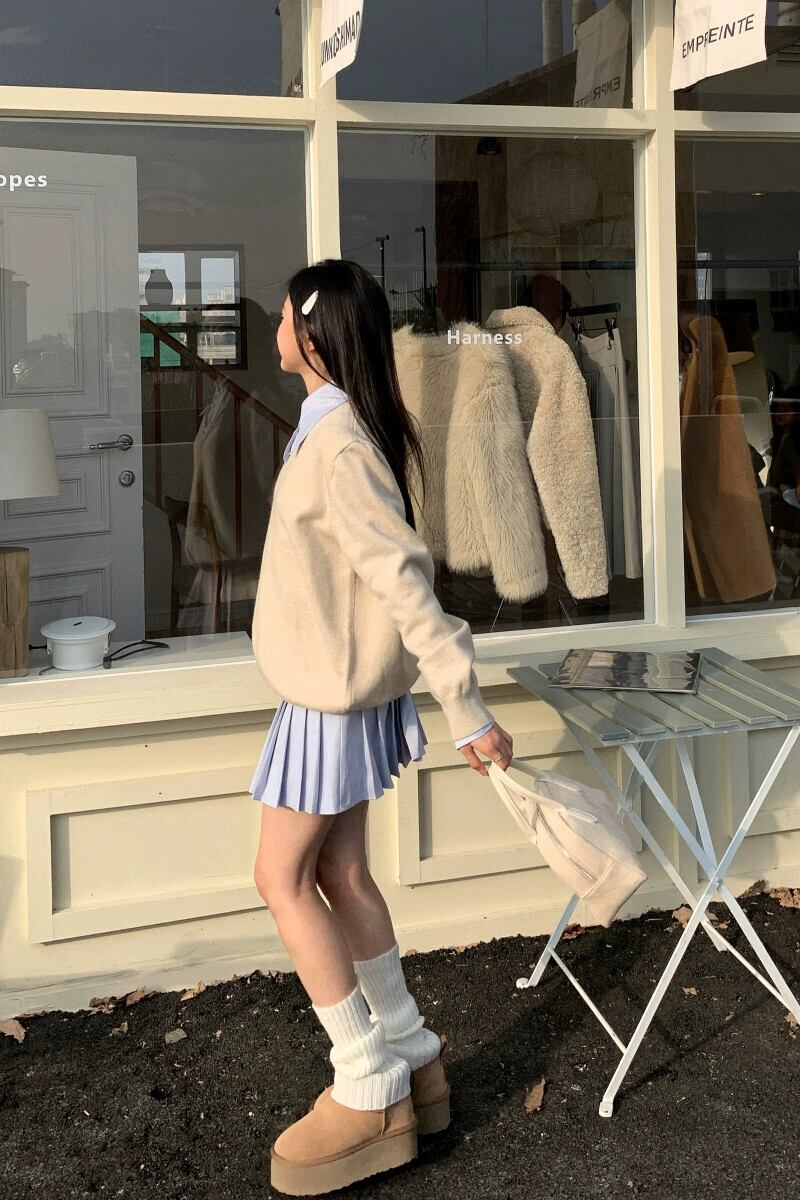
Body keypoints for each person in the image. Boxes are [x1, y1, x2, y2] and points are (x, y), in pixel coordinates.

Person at [249, 258, 513, 1195]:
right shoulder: (336, 430)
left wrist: (467, 711)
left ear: (312, 331)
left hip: (329, 701)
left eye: (285, 312)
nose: (275, 325)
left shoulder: (339, 448)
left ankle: (367, 1081)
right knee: (340, 872)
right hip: (336, 694)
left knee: (280, 878)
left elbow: (407, 584)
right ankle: (412, 1053)